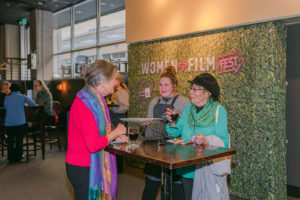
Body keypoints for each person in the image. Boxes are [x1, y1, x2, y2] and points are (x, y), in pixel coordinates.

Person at [66, 60, 128, 200]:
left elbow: (97, 133)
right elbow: (93, 145)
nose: (116, 83)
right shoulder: (86, 103)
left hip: (85, 164)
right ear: (101, 81)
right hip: (82, 166)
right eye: (113, 79)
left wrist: (114, 138)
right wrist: (116, 132)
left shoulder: (93, 100)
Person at [166, 73, 230, 200]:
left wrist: (205, 140)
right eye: (191, 88)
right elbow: (174, 133)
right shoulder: (189, 108)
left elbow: (224, 144)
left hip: (206, 168)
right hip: (187, 166)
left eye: (195, 89)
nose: (190, 92)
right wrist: (172, 122)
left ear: (208, 93)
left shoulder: (219, 110)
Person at [141, 66, 189, 200]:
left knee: (176, 191)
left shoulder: (184, 102)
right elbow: (150, 124)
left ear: (174, 85)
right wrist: (146, 124)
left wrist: (177, 120)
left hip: (175, 151)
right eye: (160, 84)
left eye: (166, 84)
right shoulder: (154, 102)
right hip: (155, 151)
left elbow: (189, 128)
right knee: (150, 188)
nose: (162, 88)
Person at [4, 84, 36, 164]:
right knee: (19, 140)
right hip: (20, 122)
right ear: (19, 89)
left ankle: (11, 158)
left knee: (10, 141)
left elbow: (5, 107)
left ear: (10, 89)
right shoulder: (23, 97)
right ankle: (18, 157)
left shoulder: (7, 98)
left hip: (9, 123)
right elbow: (33, 104)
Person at [109, 73, 129, 174]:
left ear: (119, 81)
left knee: (119, 145)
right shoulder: (113, 91)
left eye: (115, 79)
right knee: (113, 144)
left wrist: (113, 109)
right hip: (113, 120)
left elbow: (125, 108)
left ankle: (119, 169)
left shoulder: (122, 92)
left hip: (119, 121)